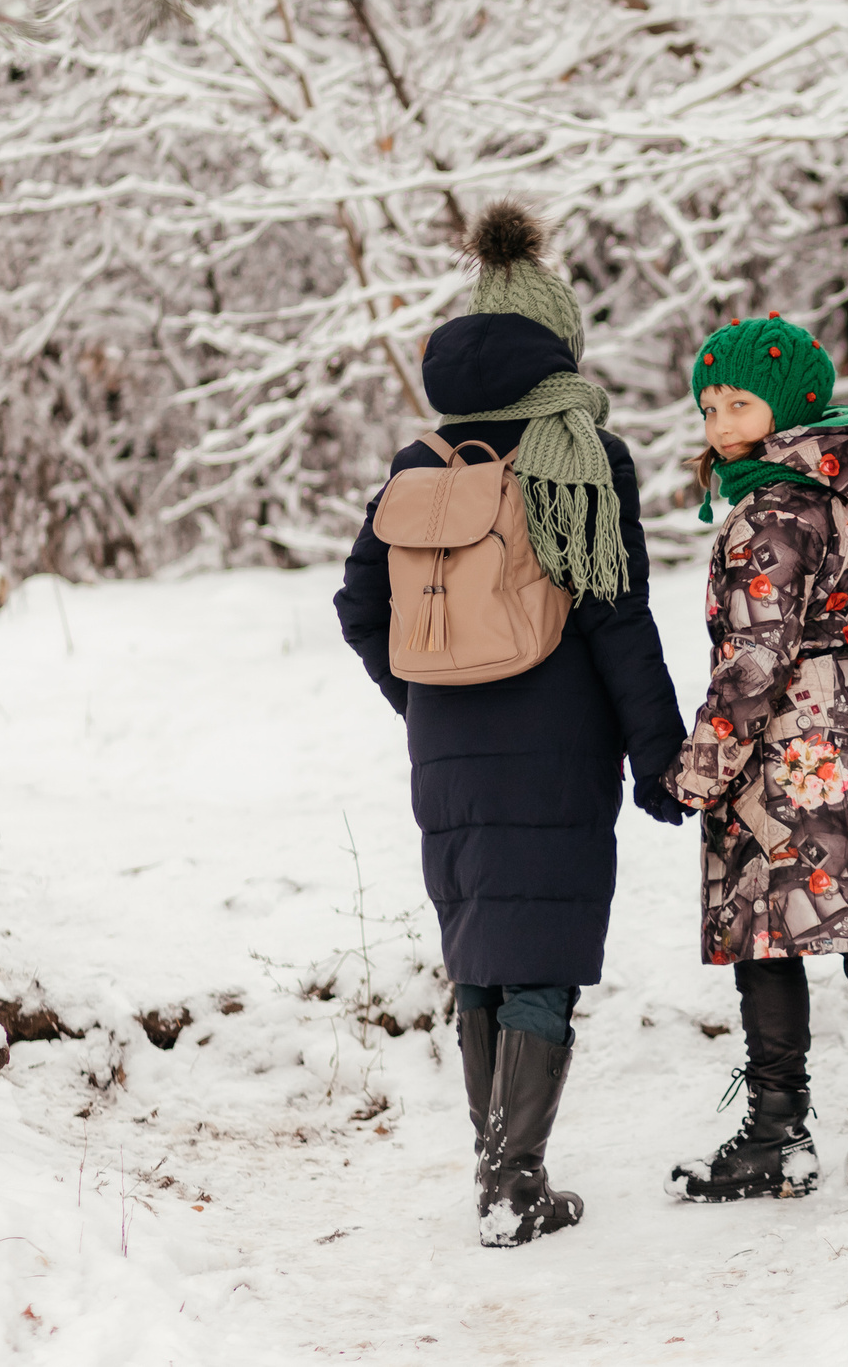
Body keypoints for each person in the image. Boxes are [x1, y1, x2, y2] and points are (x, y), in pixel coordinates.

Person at [335, 202, 685, 1247]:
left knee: (481, 949)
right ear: (557, 343)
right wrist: (657, 754)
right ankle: (513, 1180)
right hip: (557, 739)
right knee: (542, 952)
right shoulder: (581, 456)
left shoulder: (420, 465)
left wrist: (424, 698)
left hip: (448, 750)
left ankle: (498, 1171)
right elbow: (616, 616)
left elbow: (359, 606)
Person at [665, 314, 848, 1201]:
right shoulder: (845, 484)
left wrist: (699, 767)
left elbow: (756, 660)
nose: (720, 423)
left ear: (788, 403)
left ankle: (777, 1130)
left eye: (739, 403)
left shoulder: (772, 508)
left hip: (798, 740)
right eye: (708, 407)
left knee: (766, 927)